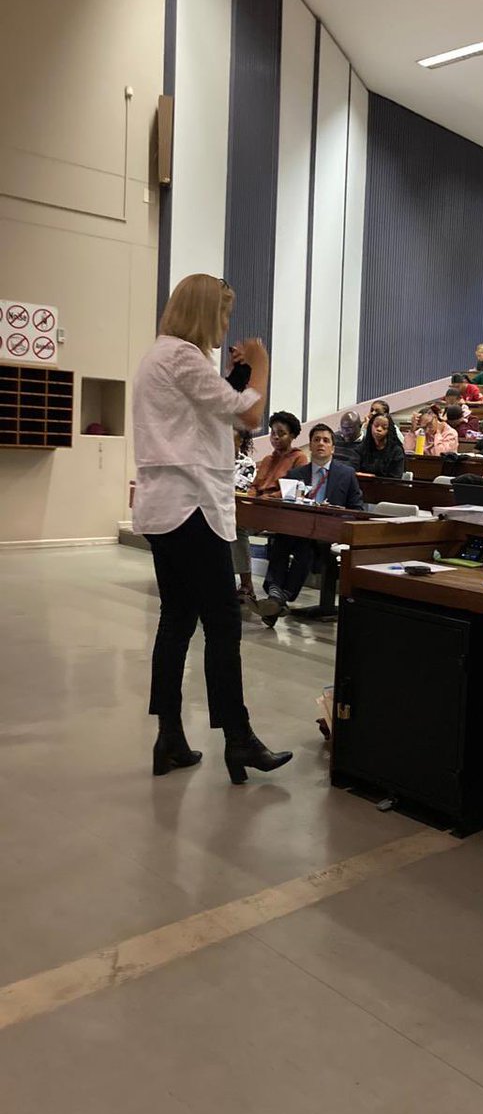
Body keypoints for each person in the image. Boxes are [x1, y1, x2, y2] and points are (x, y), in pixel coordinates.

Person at [132, 273, 292, 783]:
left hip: (166, 509)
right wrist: (262, 366)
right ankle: (239, 739)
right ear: (205, 313)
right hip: (192, 508)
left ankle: (171, 736)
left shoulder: (161, 356)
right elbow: (250, 415)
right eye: (223, 314)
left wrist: (234, 379)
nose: (226, 325)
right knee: (222, 624)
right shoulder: (182, 357)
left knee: (177, 619)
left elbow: (219, 410)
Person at [263, 424, 364, 628]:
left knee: (305, 547)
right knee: (281, 538)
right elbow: (287, 507)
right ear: (310, 445)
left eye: (326, 440)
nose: (321, 444)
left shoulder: (346, 474)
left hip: (328, 532)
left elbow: (357, 509)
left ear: (333, 448)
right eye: (316, 440)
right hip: (298, 529)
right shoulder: (296, 475)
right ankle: (278, 594)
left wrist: (334, 512)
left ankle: (277, 596)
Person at [246, 411, 306, 496]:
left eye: (281, 434)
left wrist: (272, 497)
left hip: (280, 506)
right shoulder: (267, 460)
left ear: (292, 435)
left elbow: (297, 489)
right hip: (259, 504)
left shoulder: (299, 458)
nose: (276, 437)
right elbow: (254, 487)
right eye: (273, 433)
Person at [231, 429, 257, 603]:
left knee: (237, 527)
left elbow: (239, 489)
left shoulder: (246, 463)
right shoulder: (209, 459)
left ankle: (246, 584)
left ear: (240, 441)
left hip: (240, 511)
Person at [356, 412, 406, 477]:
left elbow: (395, 478)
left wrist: (373, 477)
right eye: (376, 426)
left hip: (387, 486)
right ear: (371, 426)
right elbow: (353, 469)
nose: (379, 429)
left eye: (384, 427)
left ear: (389, 430)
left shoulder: (396, 451)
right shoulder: (362, 447)